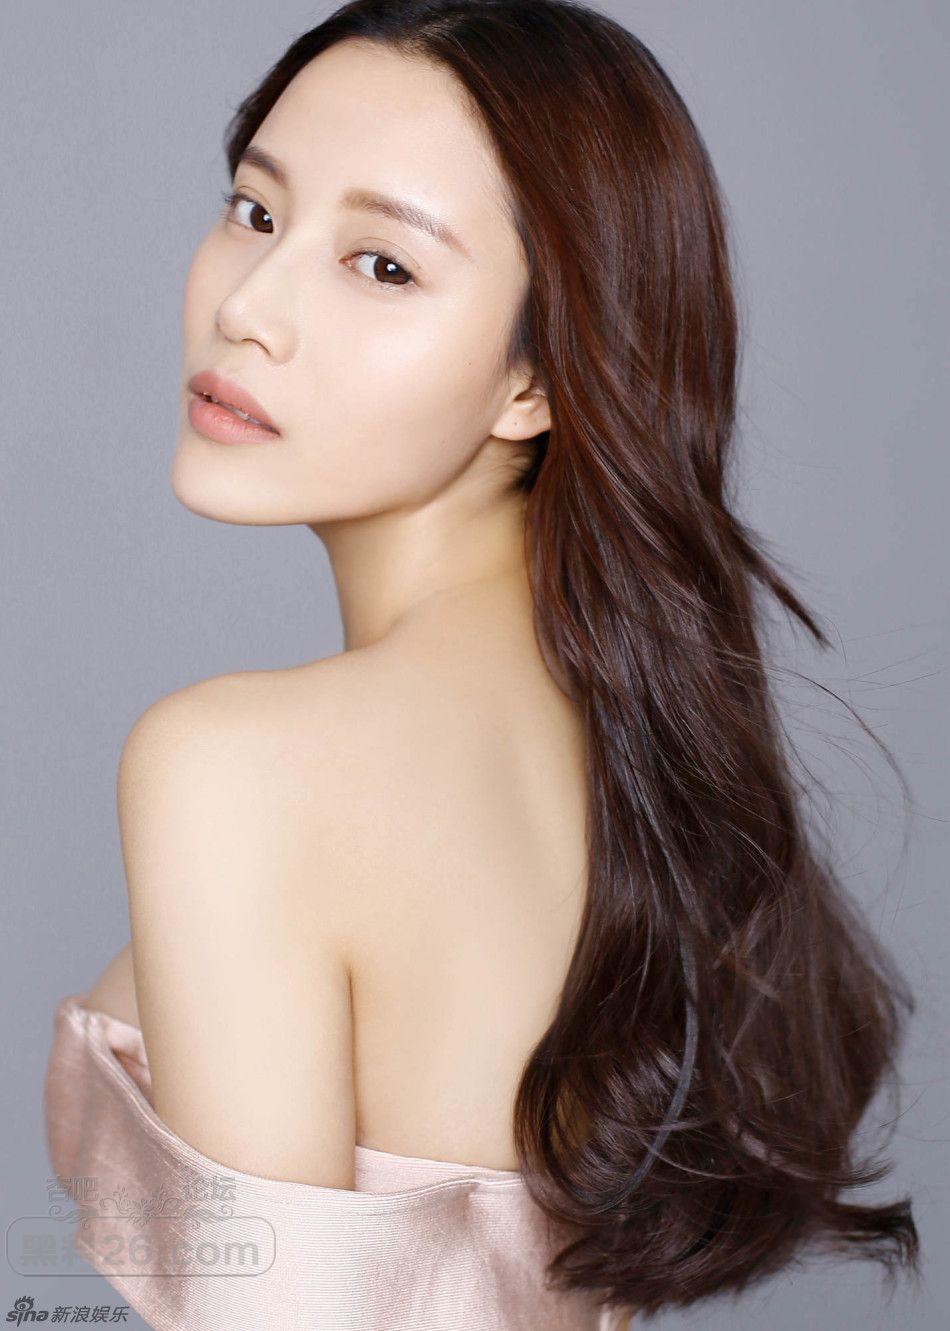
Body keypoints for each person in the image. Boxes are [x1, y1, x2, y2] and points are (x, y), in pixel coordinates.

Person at [43, 1, 921, 1327]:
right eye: (256, 211)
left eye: (383, 265)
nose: (247, 307)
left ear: (537, 381)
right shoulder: (624, 761)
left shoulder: (240, 765)